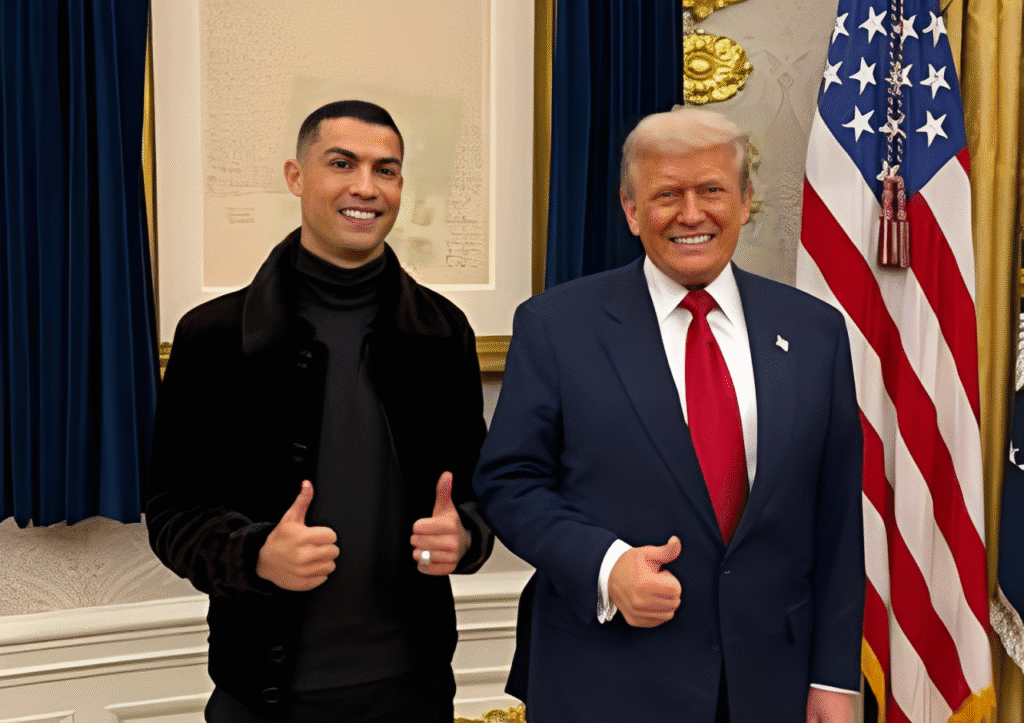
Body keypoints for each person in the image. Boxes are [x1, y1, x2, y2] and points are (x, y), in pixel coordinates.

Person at [473, 107, 864, 723]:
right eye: (665, 195)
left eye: (712, 190)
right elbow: (508, 482)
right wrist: (606, 567)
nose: (691, 214)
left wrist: (836, 677)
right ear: (631, 211)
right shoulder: (556, 326)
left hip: (771, 684)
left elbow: (838, 518)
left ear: (745, 201)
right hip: (604, 679)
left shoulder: (814, 332)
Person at [147, 100, 492, 722]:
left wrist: (465, 535)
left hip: (414, 690)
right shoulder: (214, 336)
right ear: (296, 176)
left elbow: (477, 492)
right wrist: (252, 553)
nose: (365, 186)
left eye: (385, 170)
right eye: (342, 163)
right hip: (263, 695)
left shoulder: (442, 333)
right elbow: (172, 513)